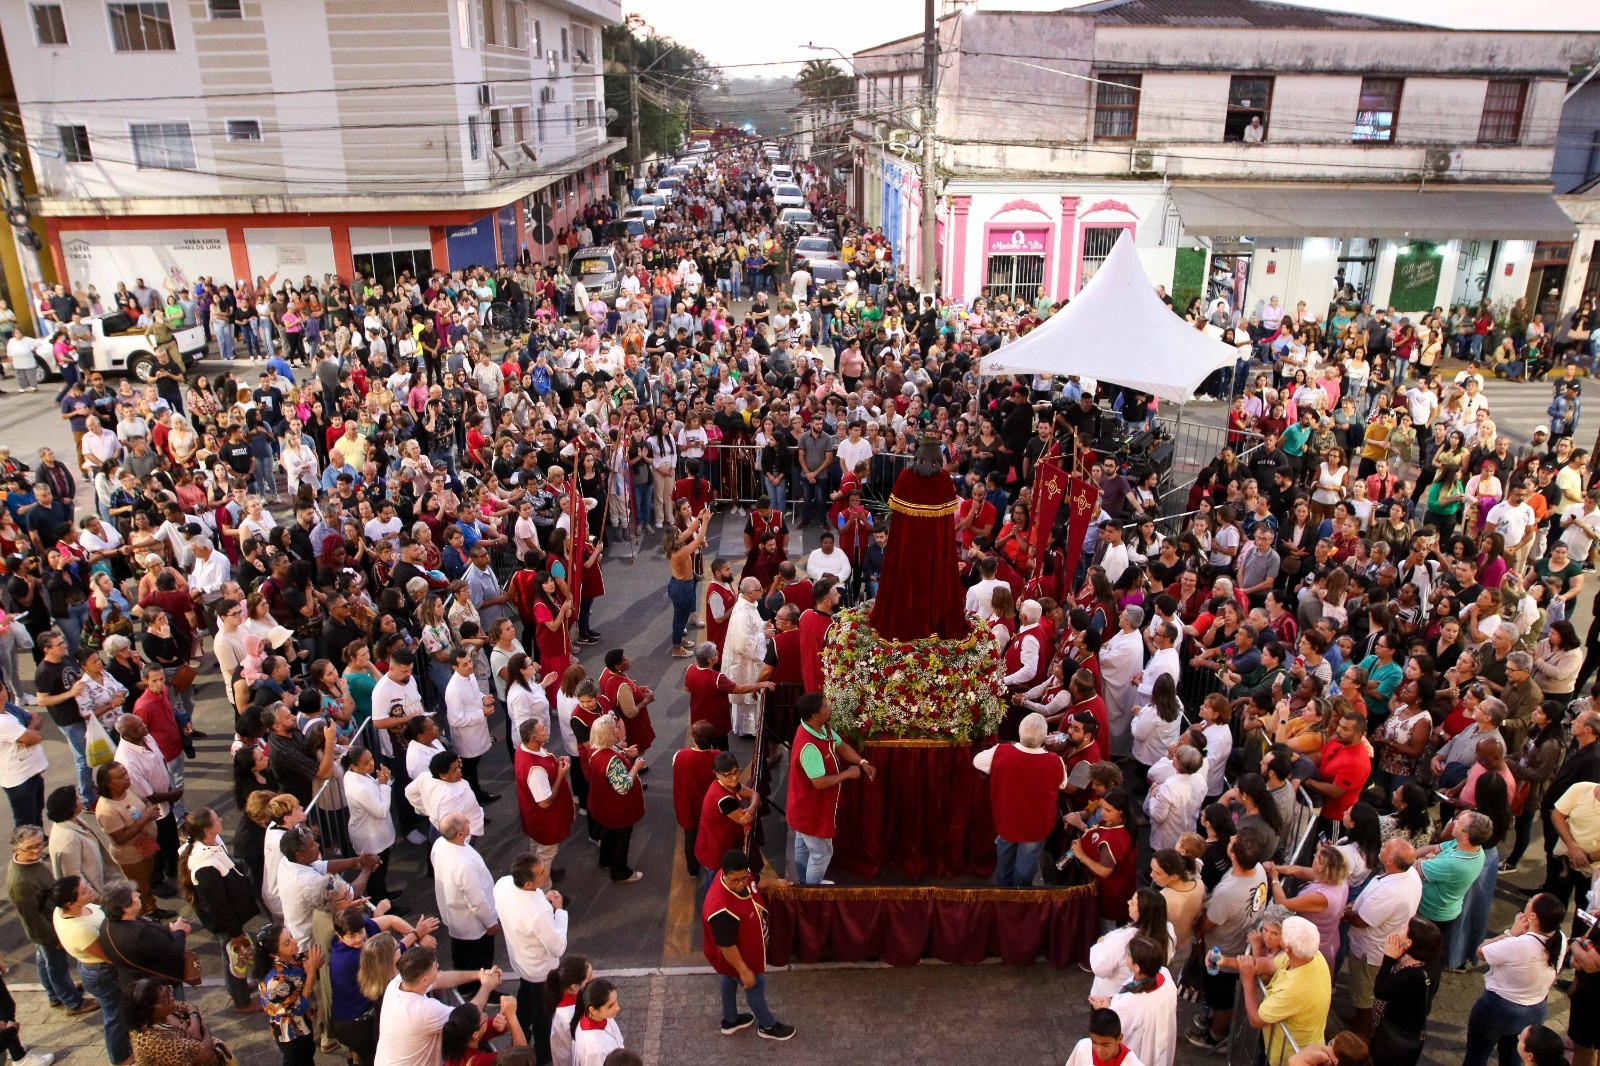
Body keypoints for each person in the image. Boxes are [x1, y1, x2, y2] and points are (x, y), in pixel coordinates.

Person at [1187, 825, 1272, 1052]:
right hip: (1239, 944)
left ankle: (1217, 1036)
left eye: (1235, 839)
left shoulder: (1228, 893)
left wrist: (1196, 924)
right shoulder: (1259, 871)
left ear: (1233, 854)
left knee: (1221, 1000)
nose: (1231, 836)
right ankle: (1214, 1021)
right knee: (1219, 997)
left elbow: (1207, 924)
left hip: (1223, 954)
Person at [1462, 893, 1567, 1066]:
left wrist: (1511, 932)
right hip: (1536, 1008)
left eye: (1530, 901)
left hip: (1499, 1009)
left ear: (1532, 916)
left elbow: (1481, 951)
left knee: (1477, 1056)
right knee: (1513, 1058)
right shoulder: (1560, 938)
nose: (1528, 902)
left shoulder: (1518, 944)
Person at [701, 849, 795, 1041]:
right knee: (755, 988)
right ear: (724, 875)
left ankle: (730, 1020)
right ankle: (768, 1026)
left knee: (728, 978)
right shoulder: (722, 908)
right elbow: (727, 946)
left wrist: (777, 883)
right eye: (735, 880)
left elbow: (756, 879)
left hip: (735, 956)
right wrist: (744, 971)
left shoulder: (741, 875)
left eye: (743, 878)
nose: (741, 883)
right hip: (738, 956)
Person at [176, 808, 260, 1012]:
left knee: (229, 954)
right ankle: (242, 1002)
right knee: (233, 955)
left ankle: (235, 988)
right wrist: (235, 931)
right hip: (226, 920)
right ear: (207, 829)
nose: (221, 819)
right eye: (216, 819)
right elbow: (217, 905)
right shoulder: (204, 866)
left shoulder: (211, 843)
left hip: (230, 916)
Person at [972, 712, 1067, 887]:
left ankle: (1004, 891)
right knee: (1026, 866)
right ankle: (1020, 897)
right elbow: (1062, 784)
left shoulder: (1001, 752)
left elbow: (977, 761)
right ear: (1044, 738)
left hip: (1008, 818)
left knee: (1004, 858)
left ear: (1020, 732)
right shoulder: (1055, 761)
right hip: (1036, 824)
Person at [786, 693, 874, 885]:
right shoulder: (809, 746)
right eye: (825, 706)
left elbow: (841, 747)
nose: (829, 708)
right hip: (811, 810)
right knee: (821, 853)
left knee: (802, 845)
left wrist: (862, 762)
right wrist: (848, 774)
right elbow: (819, 782)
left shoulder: (821, 728)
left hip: (802, 807)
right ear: (815, 716)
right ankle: (812, 891)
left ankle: (804, 883)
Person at [5, 826, 94, 1014]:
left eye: (39, 844)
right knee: (56, 966)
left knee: (45, 962)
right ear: (16, 850)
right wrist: (54, 939)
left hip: (48, 924)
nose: (37, 851)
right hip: (46, 930)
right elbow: (32, 918)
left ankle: (55, 995)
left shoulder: (31, 863)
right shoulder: (21, 881)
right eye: (30, 848)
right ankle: (73, 1003)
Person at [1343, 839, 1423, 1042]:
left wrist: (1346, 913)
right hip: (1383, 943)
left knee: (1365, 996)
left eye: (1386, 846)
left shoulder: (1390, 892)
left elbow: (1362, 921)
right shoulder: (1408, 874)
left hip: (1369, 951)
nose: (1383, 844)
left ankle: (1360, 1036)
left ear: (1390, 860)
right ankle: (1359, 1021)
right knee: (1364, 993)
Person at [492, 853, 567, 1064]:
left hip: (520, 960)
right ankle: (542, 1056)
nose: (546, 873)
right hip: (540, 970)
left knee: (525, 998)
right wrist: (559, 911)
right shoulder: (539, 911)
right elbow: (557, 947)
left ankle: (521, 1032)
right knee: (543, 1016)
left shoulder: (503, 884)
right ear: (527, 883)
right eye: (542, 872)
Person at [373, 945, 501, 1066]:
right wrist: (487, 986)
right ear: (424, 980)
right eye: (435, 966)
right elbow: (466, 1016)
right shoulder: (424, 1010)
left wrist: (478, 975)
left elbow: (440, 979)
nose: (438, 966)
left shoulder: (400, 982)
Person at [51, 873, 131, 1064]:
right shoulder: (81, 931)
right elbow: (108, 955)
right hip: (102, 973)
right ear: (70, 903)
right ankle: (120, 1057)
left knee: (120, 1011)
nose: (89, 888)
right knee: (115, 1015)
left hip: (97, 967)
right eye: (84, 890)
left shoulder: (66, 909)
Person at [1238, 915, 1331, 1066]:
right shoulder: (1312, 956)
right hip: (1297, 1047)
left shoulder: (1293, 989)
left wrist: (1247, 981)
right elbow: (1266, 965)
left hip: (1286, 1058)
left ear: (1286, 948)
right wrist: (1225, 960)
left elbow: (1255, 1020)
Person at [431, 813, 499, 994]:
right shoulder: (463, 864)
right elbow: (476, 900)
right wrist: (490, 922)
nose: (470, 822)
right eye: (466, 823)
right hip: (473, 921)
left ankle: (464, 987)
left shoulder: (439, 845)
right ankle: (483, 990)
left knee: (460, 952)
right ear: (459, 834)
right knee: (481, 958)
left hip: (454, 914)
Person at [1090, 935, 1176, 1066]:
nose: (1126, 955)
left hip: (1139, 1051)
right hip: (1161, 1045)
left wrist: (1105, 1010)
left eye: (1128, 954)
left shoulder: (1130, 1001)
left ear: (1137, 967)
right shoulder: (1166, 977)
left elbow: (1117, 1028)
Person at [96, 879, 190, 997]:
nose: (139, 895)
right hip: (158, 988)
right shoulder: (140, 933)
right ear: (126, 908)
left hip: (133, 983)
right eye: (135, 896)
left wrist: (168, 930)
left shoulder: (107, 923)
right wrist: (180, 932)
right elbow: (174, 955)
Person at [1369, 916, 1442, 1066]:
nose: (1400, 928)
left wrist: (1388, 958)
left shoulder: (1413, 975)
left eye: (1404, 929)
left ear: (1410, 943)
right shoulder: (1431, 957)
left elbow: (1380, 991)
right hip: (1410, 1020)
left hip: (1396, 1027)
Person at [585, 715, 646, 884]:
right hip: (617, 809)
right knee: (621, 838)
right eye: (615, 727)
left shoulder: (594, 748)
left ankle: (605, 860)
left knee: (608, 833)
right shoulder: (611, 760)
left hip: (602, 804)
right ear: (608, 734)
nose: (618, 728)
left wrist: (624, 752)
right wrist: (635, 766)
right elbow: (624, 785)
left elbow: (610, 751)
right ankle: (620, 872)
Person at [1088, 887, 1174, 999]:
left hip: (1113, 994)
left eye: (1133, 903)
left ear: (1143, 913)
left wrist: (1101, 944)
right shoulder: (1167, 930)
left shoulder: (1123, 939)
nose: (1128, 902)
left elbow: (1100, 968)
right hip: (1144, 992)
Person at [512, 718, 574, 875]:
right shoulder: (535, 770)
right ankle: (544, 889)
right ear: (533, 739)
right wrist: (560, 776)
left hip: (534, 820)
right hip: (546, 822)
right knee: (546, 854)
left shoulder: (524, 748)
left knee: (536, 848)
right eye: (542, 730)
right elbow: (545, 802)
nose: (546, 729)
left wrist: (556, 763)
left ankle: (539, 870)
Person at [254, 922, 321, 1066]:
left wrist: (312, 966)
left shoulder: (291, 958)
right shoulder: (274, 981)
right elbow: (300, 1006)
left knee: (308, 1056)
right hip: (291, 1034)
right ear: (273, 954)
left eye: (291, 936)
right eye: (286, 943)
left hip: (303, 1024)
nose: (294, 942)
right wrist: (311, 974)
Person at [1072, 788, 1138, 932]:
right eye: (1101, 807)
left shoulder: (1114, 841)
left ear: (1121, 811)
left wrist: (1081, 855)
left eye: (1108, 810)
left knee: (1107, 930)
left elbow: (1104, 871)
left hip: (1110, 895)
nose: (1103, 812)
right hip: (1122, 888)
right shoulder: (1119, 823)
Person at [126, 977, 220, 1066]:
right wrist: (205, 1028)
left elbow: (188, 1006)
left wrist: (194, 1024)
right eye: (164, 999)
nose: (171, 998)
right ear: (147, 1010)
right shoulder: (154, 1042)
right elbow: (205, 1054)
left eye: (168, 991)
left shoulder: (167, 1010)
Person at [1064, 1007, 1147, 1066]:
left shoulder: (1132, 1063)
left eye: (1105, 1045)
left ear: (1119, 1038)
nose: (1099, 1050)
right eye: (1094, 1042)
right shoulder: (1082, 1047)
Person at [570, 978, 625, 1066]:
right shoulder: (596, 1047)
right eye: (610, 1006)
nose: (617, 1008)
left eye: (616, 1001)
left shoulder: (601, 1016)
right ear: (593, 1010)